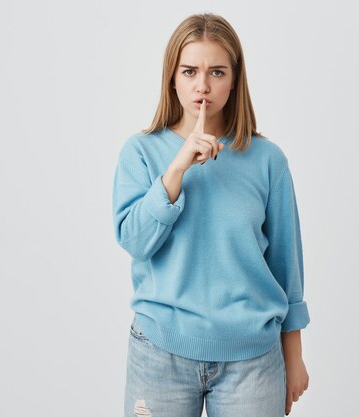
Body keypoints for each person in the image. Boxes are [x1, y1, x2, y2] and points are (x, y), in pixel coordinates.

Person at [112, 12, 310, 417]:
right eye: (190, 71)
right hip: (159, 352)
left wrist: (294, 357)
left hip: (252, 359)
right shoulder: (141, 151)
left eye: (216, 72)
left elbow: (286, 265)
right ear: (173, 77)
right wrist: (177, 169)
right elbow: (134, 240)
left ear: (234, 79)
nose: (203, 85)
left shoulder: (268, 160)